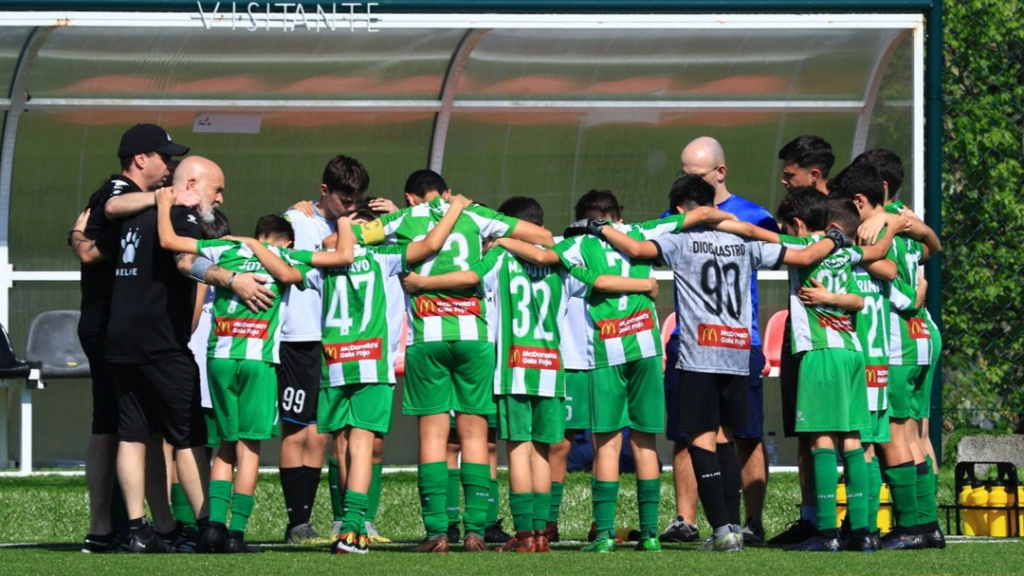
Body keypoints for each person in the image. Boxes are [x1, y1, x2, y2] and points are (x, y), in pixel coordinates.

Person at [595, 175, 838, 552]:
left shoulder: (679, 239)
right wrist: (836, 238)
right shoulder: (744, 239)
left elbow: (638, 249)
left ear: (680, 209)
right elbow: (803, 256)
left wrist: (600, 227)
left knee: (699, 438)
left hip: (700, 350)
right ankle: (735, 528)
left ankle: (722, 530)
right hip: (737, 350)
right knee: (726, 436)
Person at [405, 197, 661, 552]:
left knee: (519, 449)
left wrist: (423, 283)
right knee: (542, 450)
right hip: (551, 368)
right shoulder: (561, 263)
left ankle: (523, 534)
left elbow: (471, 277)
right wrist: (645, 286)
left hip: (513, 369)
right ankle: (541, 534)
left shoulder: (500, 257)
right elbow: (599, 282)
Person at [517, 188, 733, 552]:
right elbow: (699, 215)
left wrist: (501, 240)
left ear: (583, 220)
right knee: (645, 442)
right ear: (618, 217)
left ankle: (603, 536)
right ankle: (650, 535)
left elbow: (539, 254)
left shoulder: (578, 244)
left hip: (607, 350)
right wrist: (735, 221)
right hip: (647, 349)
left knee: (607, 443)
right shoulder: (641, 231)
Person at [352, 169, 553, 553]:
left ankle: (438, 533)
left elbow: (345, 240)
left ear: (411, 197)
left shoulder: (403, 218)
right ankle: (475, 531)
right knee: (475, 435)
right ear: (446, 192)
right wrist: (498, 239)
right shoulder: (474, 214)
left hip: (427, 337)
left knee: (433, 436)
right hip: (474, 337)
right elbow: (543, 237)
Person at [68, 123, 188, 554]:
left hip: (118, 327)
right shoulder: (120, 190)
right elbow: (106, 219)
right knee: (115, 425)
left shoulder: (136, 201)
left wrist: (79, 239)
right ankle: (109, 527)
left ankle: (142, 526)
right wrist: (164, 197)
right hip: (109, 326)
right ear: (140, 159)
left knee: (135, 427)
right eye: (163, 157)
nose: (170, 166)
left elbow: (89, 246)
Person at [670, 136, 780, 545]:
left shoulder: (756, 216)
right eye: (683, 173)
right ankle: (686, 519)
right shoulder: (677, 215)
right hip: (690, 338)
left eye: (696, 174)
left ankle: (746, 522)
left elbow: (785, 249)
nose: (689, 181)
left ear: (721, 172)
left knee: (743, 434)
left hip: (739, 341)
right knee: (688, 433)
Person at [847, 152, 946, 549]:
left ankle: (912, 526)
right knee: (915, 433)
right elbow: (930, 249)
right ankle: (927, 523)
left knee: (894, 434)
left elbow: (891, 280)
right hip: (922, 332)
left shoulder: (877, 227)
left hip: (899, 338)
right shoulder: (904, 221)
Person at [277, 155, 370, 545]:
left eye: (356, 200)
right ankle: (297, 521)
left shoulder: (358, 225)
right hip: (300, 337)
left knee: (321, 433)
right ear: (324, 191)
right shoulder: (297, 220)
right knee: (296, 429)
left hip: (339, 340)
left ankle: (319, 520)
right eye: (344, 200)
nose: (350, 207)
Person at [768, 134, 836, 545]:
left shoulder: (844, 216)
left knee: (853, 434)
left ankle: (858, 518)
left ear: (813, 175)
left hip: (839, 344)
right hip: (801, 336)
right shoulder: (794, 220)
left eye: (789, 174)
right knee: (804, 428)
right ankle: (812, 518)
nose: (783, 180)